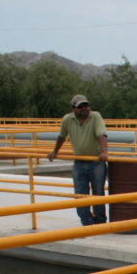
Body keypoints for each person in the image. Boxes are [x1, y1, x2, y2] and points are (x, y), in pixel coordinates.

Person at [48, 95, 109, 226]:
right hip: (79, 162)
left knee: (98, 193)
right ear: (73, 109)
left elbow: (101, 134)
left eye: (86, 106)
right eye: (81, 107)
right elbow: (61, 137)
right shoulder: (67, 120)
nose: (85, 109)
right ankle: (86, 221)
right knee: (80, 194)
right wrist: (55, 152)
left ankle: (100, 222)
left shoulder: (95, 116)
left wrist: (104, 151)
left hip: (96, 162)